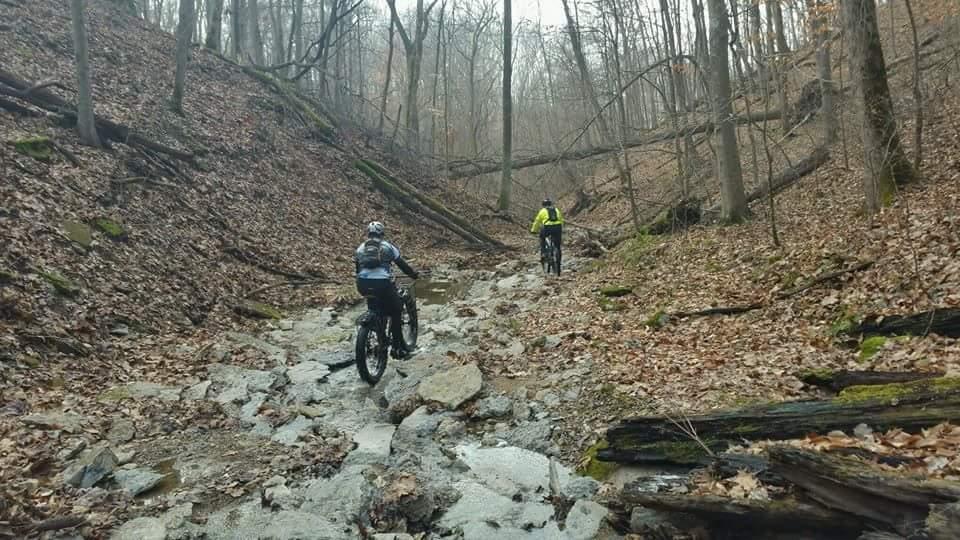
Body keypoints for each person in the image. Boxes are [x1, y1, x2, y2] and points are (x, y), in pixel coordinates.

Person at [354, 221, 420, 359]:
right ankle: (398, 348)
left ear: (368, 233)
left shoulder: (360, 248)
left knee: (373, 306)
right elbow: (402, 264)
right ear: (382, 233)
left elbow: (358, 269)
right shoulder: (388, 247)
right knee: (396, 310)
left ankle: (378, 332)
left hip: (362, 284)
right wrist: (413, 274)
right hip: (383, 284)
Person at [530, 198, 564, 268]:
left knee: (542, 237)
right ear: (550, 204)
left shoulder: (542, 211)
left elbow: (537, 221)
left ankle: (543, 253)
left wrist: (533, 230)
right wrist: (561, 228)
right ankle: (558, 258)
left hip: (547, 227)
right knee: (557, 245)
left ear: (543, 205)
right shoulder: (556, 209)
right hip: (558, 227)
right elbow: (561, 219)